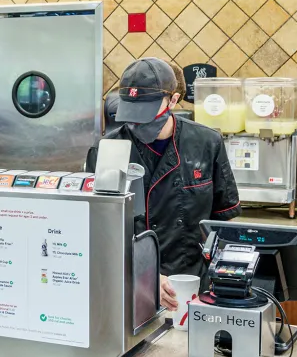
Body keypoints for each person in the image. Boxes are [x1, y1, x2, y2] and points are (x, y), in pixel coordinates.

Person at [86, 58, 241, 312]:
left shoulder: (206, 143)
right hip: (130, 288)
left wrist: (222, 284)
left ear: (173, 100)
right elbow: (100, 233)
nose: (137, 123)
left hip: (193, 288)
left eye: (145, 111)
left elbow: (224, 224)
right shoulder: (104, 151)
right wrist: (142, 274)